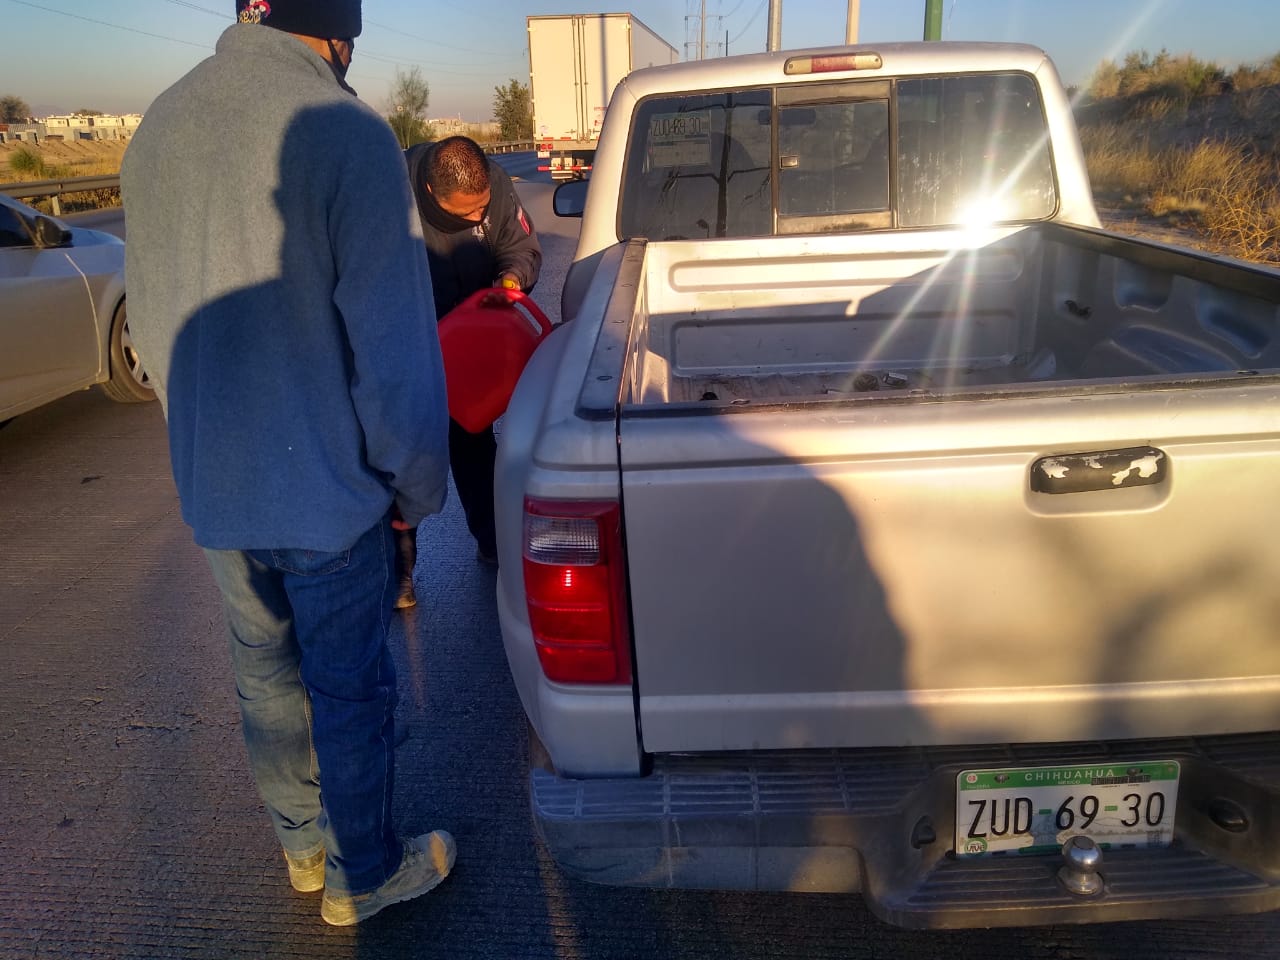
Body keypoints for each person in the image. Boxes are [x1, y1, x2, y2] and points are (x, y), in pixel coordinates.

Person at [120, 0, 455, 926]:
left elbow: (150, 336)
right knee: (347, 687)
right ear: (338, 35)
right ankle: (364, 875)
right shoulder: (346, 134)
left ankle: (304, 849)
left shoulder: (158, 125)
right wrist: (416, 488)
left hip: (218, 491)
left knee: (264, 677)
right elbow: (393, 354)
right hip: (329, 497)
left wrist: (206, 442)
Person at [397, 135, 542, 606]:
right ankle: (398, 570)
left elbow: (520, 247)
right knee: (401, 459)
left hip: (467, 347)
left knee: (475, 445)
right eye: (469, 213)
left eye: (484, 208)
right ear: (433, 193)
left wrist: (512, 279)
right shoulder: (387, 188)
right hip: (410, 345)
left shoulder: (493, 184)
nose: (481, 219)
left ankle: (492, 543)